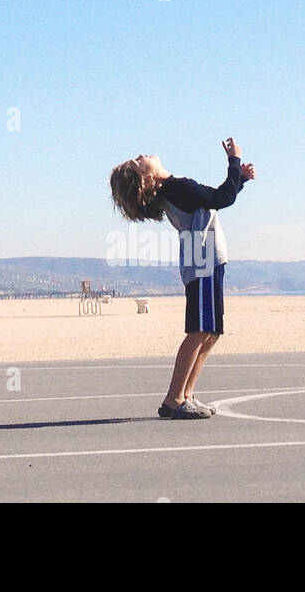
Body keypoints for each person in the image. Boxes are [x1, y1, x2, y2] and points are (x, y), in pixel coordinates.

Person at [109, 138, 256, 419]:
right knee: (200, 331)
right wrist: (234, 161)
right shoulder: (177, 188)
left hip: (208, 261)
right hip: (201, 263)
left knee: (211, 333)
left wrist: (241, 179)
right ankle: (174, 399)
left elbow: (213, 198)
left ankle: (186, 394)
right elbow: (221, 199)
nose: (142, 154)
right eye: (138, 162)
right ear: (146, 178)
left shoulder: (176, 190)